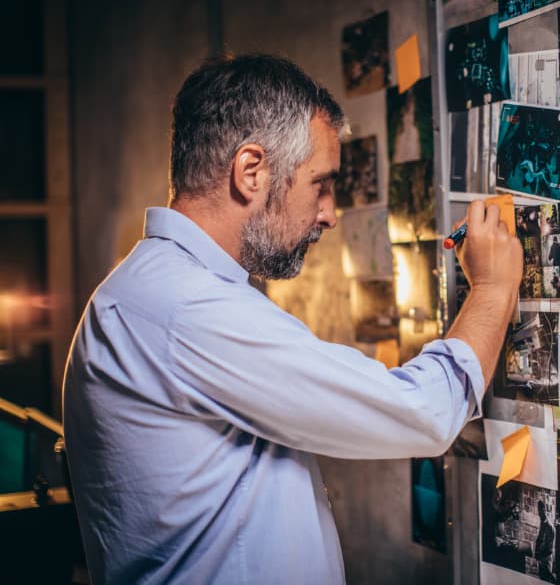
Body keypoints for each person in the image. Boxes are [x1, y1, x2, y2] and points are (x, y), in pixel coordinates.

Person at [62, 54, 523, 584]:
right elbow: (423, 412)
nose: (329, 213)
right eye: (320, 184)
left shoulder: (144, 292)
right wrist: (492, 286)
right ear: (250, 171)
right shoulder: (188, 308)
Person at [533, 500, 557, 583]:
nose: (539, 512)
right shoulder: (542, 522)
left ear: (544, 510)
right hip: (541, 559)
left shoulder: (549, 527)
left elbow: (549, 550)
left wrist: (540, 556)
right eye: (538, 510)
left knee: (547, 580)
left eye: (541, 510)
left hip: (546, 560)